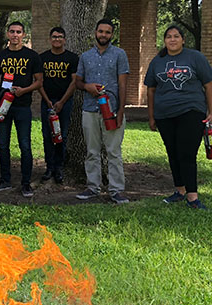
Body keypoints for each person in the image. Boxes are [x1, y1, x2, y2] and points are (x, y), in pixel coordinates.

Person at [144, 25, 212, 210]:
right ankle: (180, 191)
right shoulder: (157, 61)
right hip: (164, 114)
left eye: (176, 36)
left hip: (191, 111)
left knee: (187, 153)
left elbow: (209, 86)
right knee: (173, 152)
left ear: (183, 40)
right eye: (168, 36)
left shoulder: (195, 57)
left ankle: (193, 197)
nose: (172, 39)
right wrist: (151, 117)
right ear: (164, 40)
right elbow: (150, 90)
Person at [75, 19, 130, 204]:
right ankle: (93, 187)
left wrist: (121, 111)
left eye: (107, 32)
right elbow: (78, 82)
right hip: (90, 109)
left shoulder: (120, 54)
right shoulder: (85, 56)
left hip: (112, 110)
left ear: (112, 35)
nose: (103, 35)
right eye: (101, 31)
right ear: (95, 32)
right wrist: (87, 86)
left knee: (113, 152)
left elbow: (123, 84)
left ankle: (116, 190)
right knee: (92, 151)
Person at [0, 21, 43, 198]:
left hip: (22, 107)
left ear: (23, 35)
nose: (15, 35)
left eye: (18, 32)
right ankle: (5, 180)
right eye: (12, 31)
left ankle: (26, 183)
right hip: (3, 107)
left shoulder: (32, 56)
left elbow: (39, 82)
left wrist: (23, 91)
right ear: (7, 34)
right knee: (3, 145)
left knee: (25, 145)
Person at [39, 26, 78, 184]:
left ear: (65, 40)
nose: (57, 39)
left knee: (62, 135)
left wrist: (61, 102)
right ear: (50, 39)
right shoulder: (42, 58)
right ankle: (49, 167)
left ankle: (59, 167)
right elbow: (38, 82)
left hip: (65, 102)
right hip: (47, 101)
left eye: (60, 37)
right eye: (54, 37)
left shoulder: (72, 58)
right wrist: (48, 101)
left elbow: (75, 81)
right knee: (48, 135)